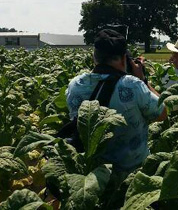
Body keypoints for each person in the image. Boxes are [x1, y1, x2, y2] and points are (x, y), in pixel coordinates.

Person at [66, 29, 167, 173]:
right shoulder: (133, 85)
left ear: (94, 57)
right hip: (132, 173)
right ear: (124, 59)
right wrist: (143, 80)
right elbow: (162, 113)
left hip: (93, 173)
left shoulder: (75, 85)